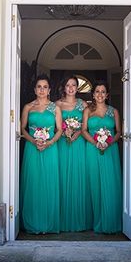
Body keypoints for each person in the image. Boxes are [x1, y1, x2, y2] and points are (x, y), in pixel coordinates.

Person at [20, 75, 63, 234]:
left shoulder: (55, 108)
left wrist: (49, 142)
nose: (42, 90)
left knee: (49, 183)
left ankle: (48, 223)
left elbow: (60, 130)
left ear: (49, 90)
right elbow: (23, 129)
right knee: (33, 182)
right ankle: (33, 222)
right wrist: (33, 141)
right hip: (32, 148)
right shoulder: (28, 107)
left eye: (45, 87)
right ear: (35, 89)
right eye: (39, 86)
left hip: (50, 149)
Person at [81, 81, 122, 234]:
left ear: (107, 95)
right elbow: (84, 130)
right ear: (93, 94)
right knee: (94, 183)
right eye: (97, 91)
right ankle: (96, 221)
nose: (100, 94)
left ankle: (110, 222)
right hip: (92, 150)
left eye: (103, 91)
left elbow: (118, 132)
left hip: (110, 151)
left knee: (110, 183)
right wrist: (96, 142)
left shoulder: (114, 112)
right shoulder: (87, 111)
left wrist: (108, 143)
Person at [56, 76, 91, 232]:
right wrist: (64, 132)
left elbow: (86, 125)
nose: (71, 88)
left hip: (78, 144)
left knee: (78, 177)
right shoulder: (57, 104)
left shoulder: (83, 104)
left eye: (74, 85)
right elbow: (53, 126)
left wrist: (76, 133)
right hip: (62, 143)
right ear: (64, 87)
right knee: (62, 177)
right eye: (68, 85)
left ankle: (79, 218)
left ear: (77, 88)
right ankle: (62, 219)